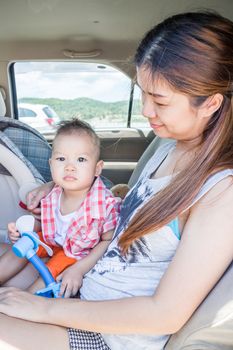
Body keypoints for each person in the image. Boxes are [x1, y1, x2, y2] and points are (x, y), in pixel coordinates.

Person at [0, 10, 232, 350]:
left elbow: (164, 314)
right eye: (143, 93)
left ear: (210, 103)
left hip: (108, 336)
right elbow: (128, 212)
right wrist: (55, 190)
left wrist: (44, 308)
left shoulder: (220, 190)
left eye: (160, 100)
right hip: (81, 295)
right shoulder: (168, 146)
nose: (146, 110)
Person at [0, 119, 121, 297]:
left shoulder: (105, 204)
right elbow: (42, 223)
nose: (70, 167)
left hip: (76, 253)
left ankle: (28, 300)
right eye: (61, 159)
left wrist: (79, 270)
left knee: (50, 271)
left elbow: (107, 241)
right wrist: (21, 232)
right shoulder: (52, 193)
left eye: (81, 159)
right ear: (51, 165)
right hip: (50, 241)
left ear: (97, 169)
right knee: (21, 247)